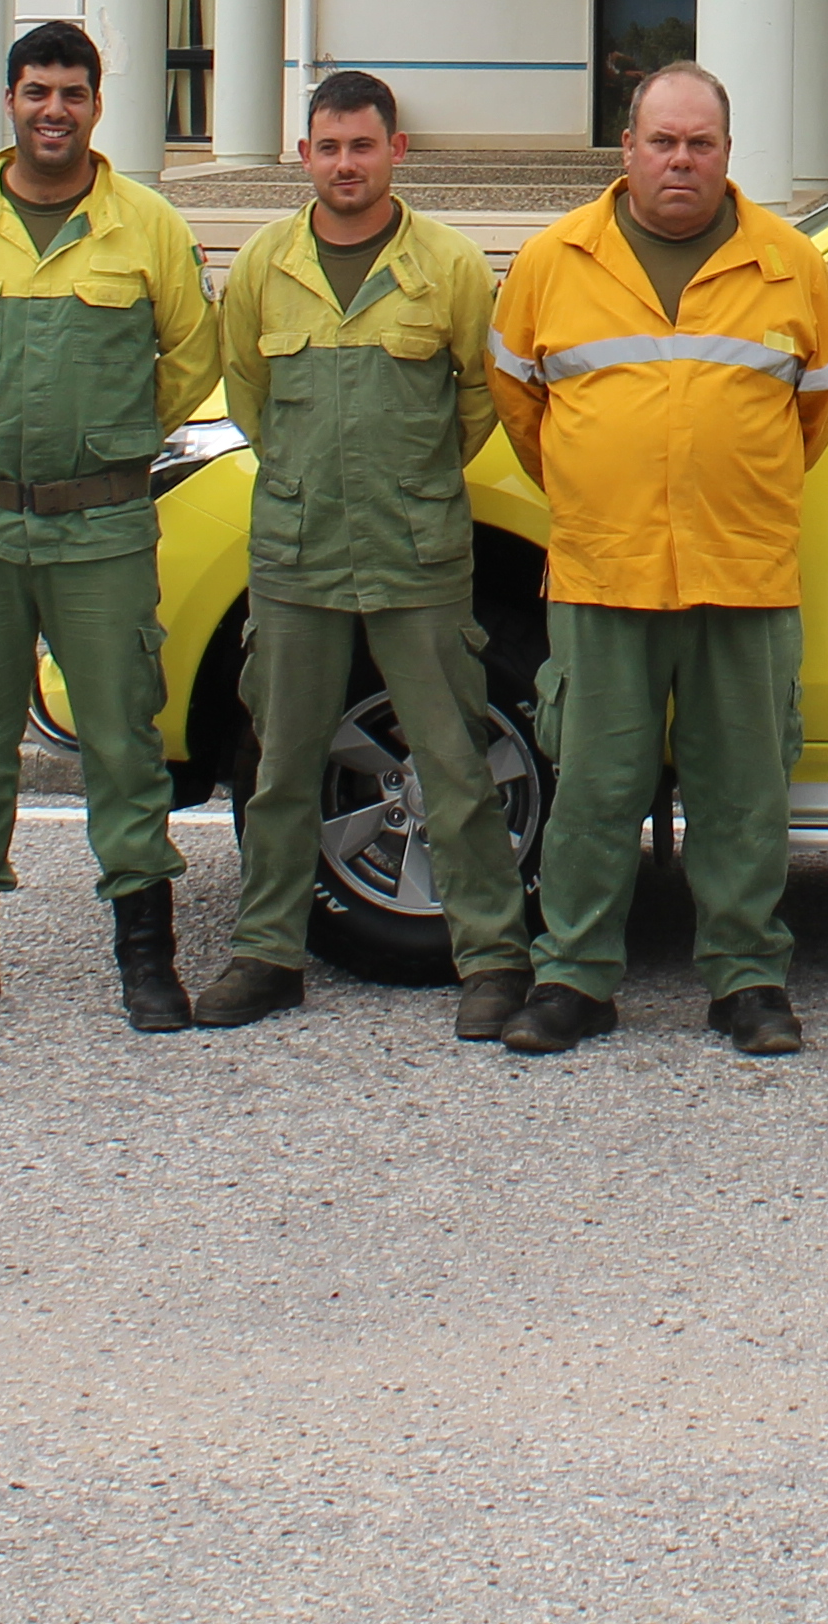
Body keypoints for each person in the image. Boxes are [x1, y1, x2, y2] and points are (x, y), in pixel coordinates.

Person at [485, 61, 828, 1057]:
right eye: (662, 142)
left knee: (744, 791)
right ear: (627, 149)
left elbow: (818, 407)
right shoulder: (555, 261)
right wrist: (600, 489)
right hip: (605, 570)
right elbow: (523, 406)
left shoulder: (790, 265)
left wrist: (724, 489)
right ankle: (573, 979)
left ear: (728, 154)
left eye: (699, 144)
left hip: (743, 570)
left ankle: (748, 980)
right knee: (597, 786)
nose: (679, 161)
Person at [0, 21, 224, 1033]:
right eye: (36, 92)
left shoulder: (148, 225)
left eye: (72, 93)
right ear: (9, 101)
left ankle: (146, 958)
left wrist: (106, 440)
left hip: (103, 526)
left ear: (97, 105)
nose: (54, 111)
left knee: (123, 738)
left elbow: (191, 360)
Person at [192, 68, 533, 1042]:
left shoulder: (452, 268)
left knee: (454, 763)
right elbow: (249, 394)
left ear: (396, 152)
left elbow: (476, 404)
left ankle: (493, 959)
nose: (346, 164)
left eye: (363, 146)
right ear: (305, 155)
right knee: (281, 762)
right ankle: (266, 955)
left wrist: (409, 487)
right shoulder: (263, 264)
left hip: (417, 553)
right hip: (297, 555)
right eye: (328, 147)